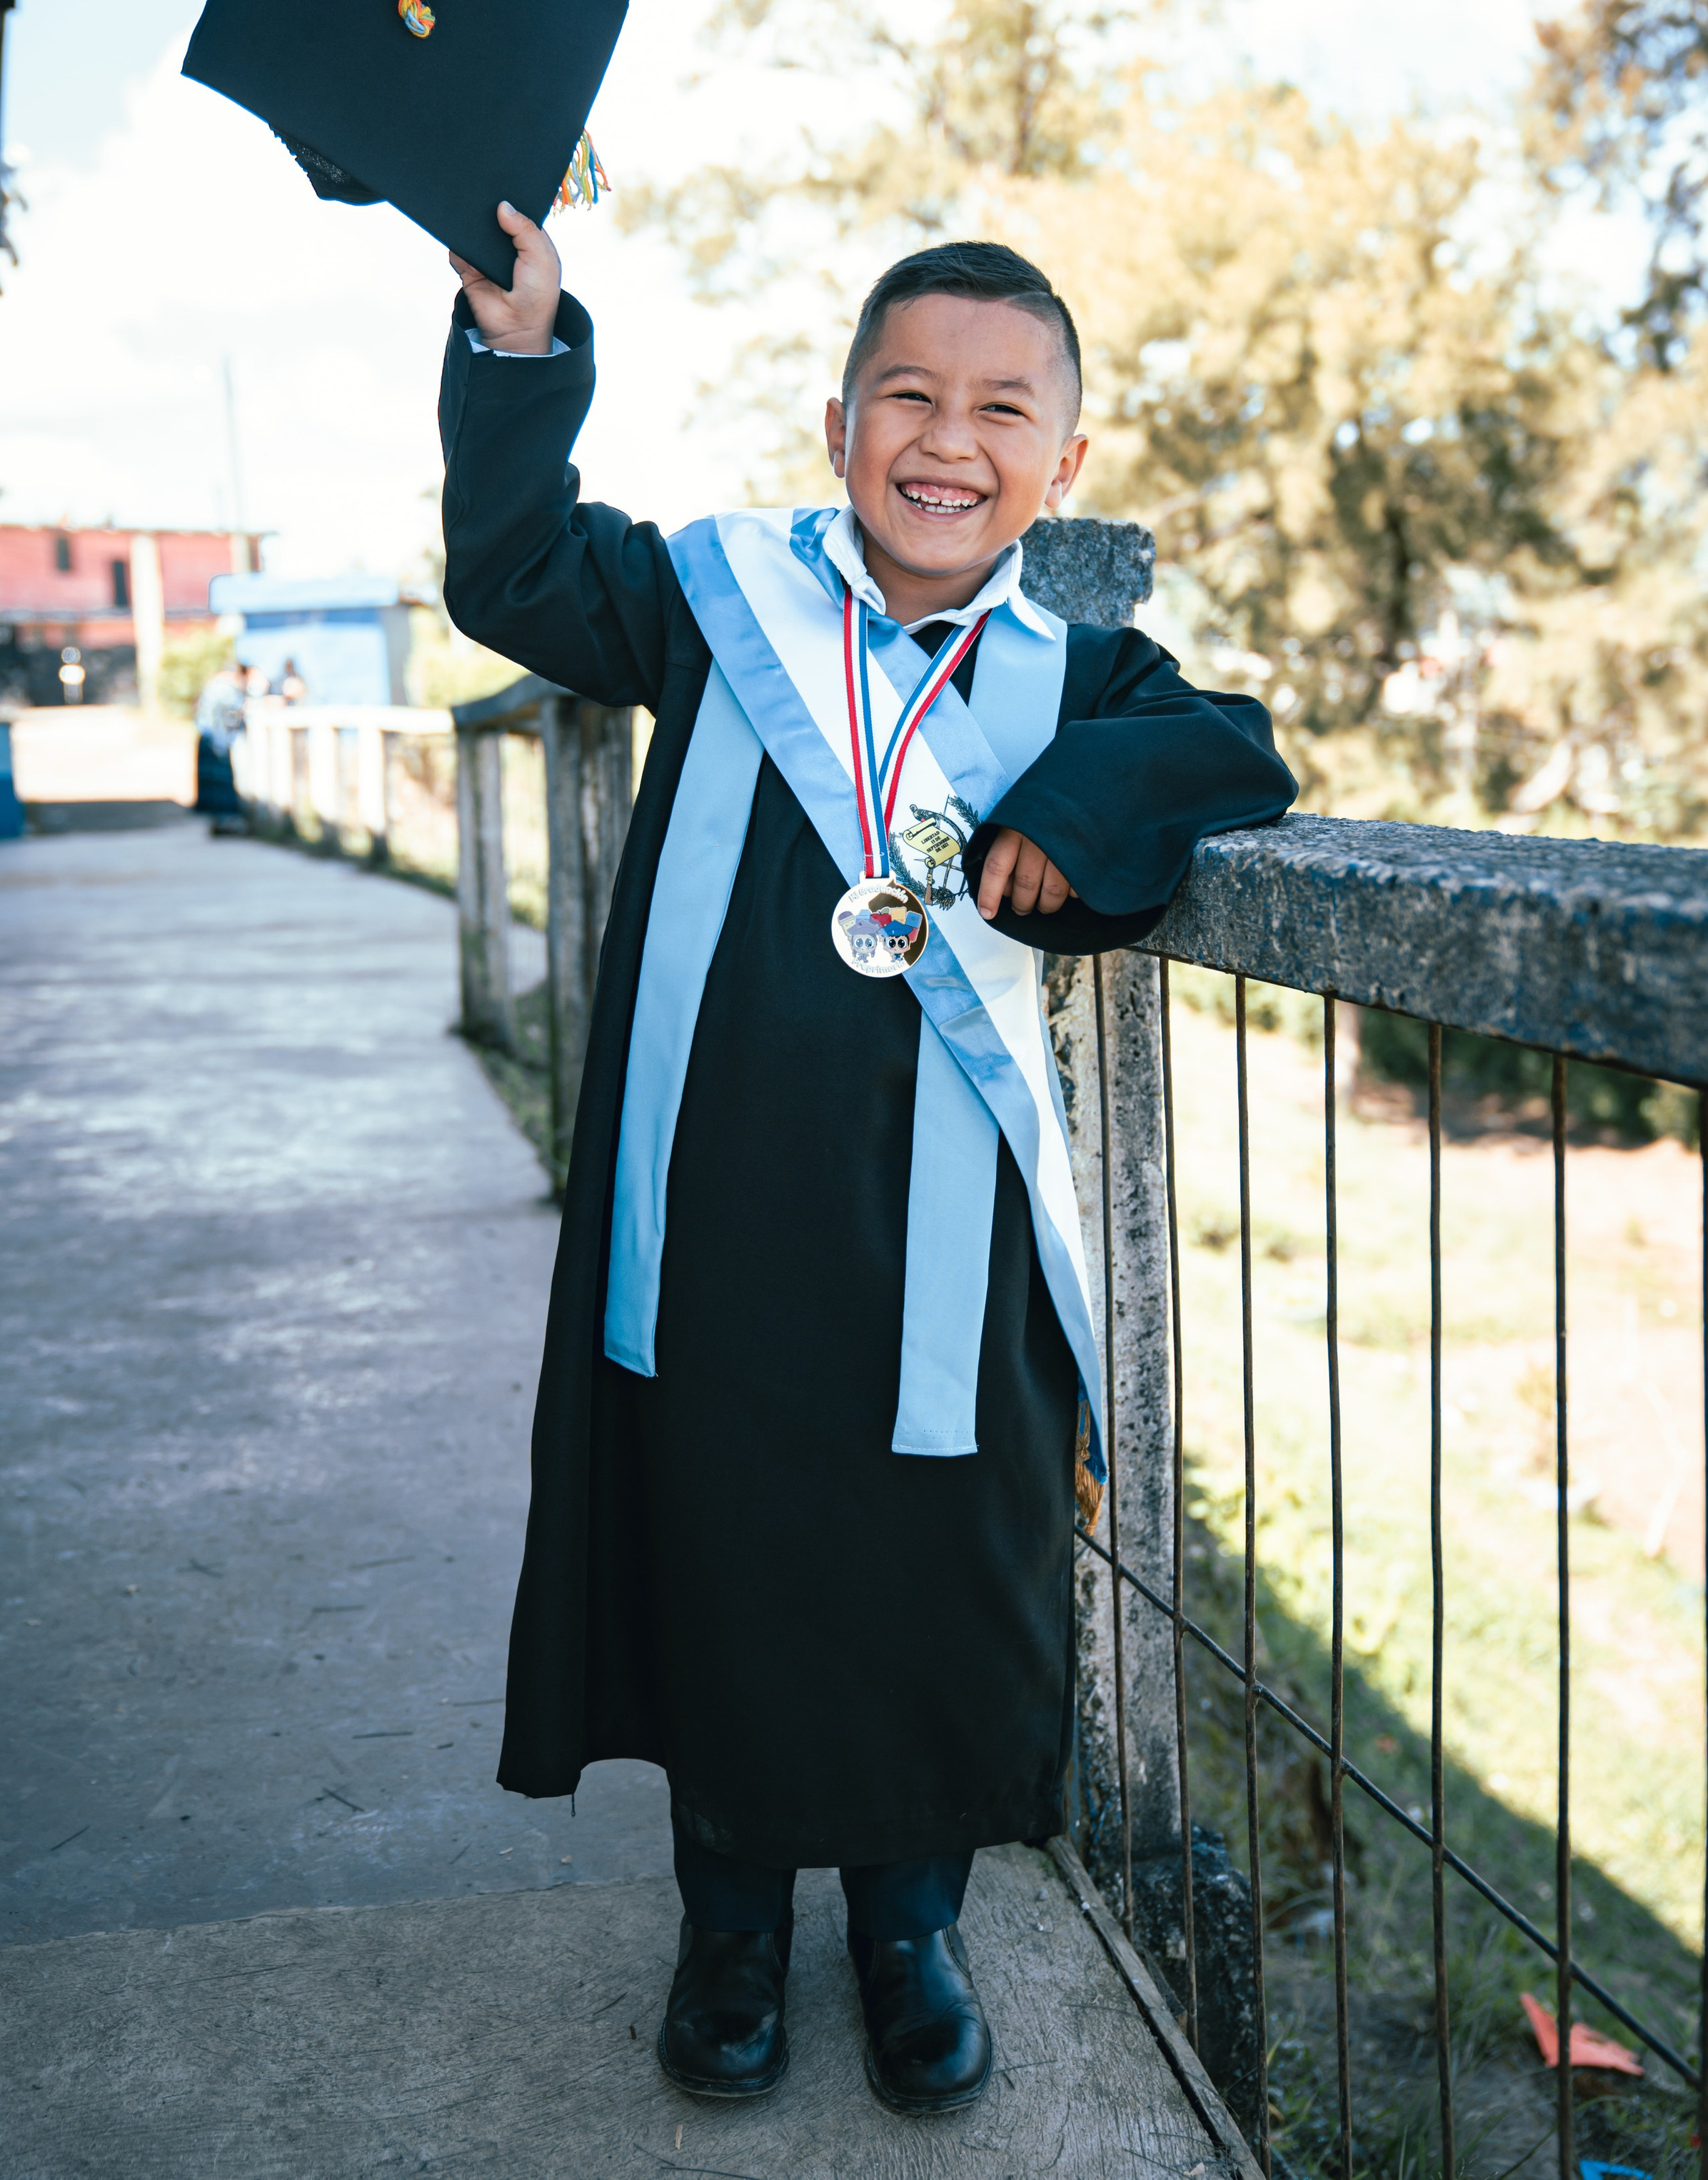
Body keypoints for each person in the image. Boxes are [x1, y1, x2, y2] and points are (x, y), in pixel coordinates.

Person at [439, 209, 1296, 2118]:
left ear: (1060, 468)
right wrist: (520, 345)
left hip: (945, 1247)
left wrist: (1077, 808)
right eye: (908, 391)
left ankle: (911, 1931)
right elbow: (509, 570)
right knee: (725, 1554)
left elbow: (1234, 752)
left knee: (932, 1571)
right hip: (723, 1212)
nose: (948, 436)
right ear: (839, 426)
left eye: (1004, 409)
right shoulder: (718, 597)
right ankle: (731, 1922)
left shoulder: (1074, 671)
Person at [193, 659, 251, 833]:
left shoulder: (215, 684)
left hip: (207, 737)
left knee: (213, 787)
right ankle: (226, 823)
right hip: (216, 740)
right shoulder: (228, 689)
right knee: (221, 784)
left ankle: (218, 823)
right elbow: (229, 717)